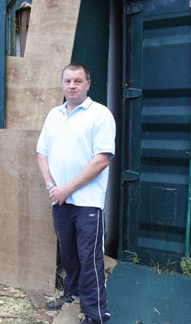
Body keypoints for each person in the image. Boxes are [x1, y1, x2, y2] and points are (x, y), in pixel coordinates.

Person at [36, 63, 115, 324]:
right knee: (69, 255)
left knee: (90, 260)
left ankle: (95, 314)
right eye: (68, 81)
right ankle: (71, 293)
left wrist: (67, 189)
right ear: (62, 84)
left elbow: (101, 160)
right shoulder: (54, 115)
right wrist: (51, 186)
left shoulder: (100, 115)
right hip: (60, 200)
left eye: (78, 81)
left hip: (87, 204)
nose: (72, 86)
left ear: (88, 84)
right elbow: (42, 152)